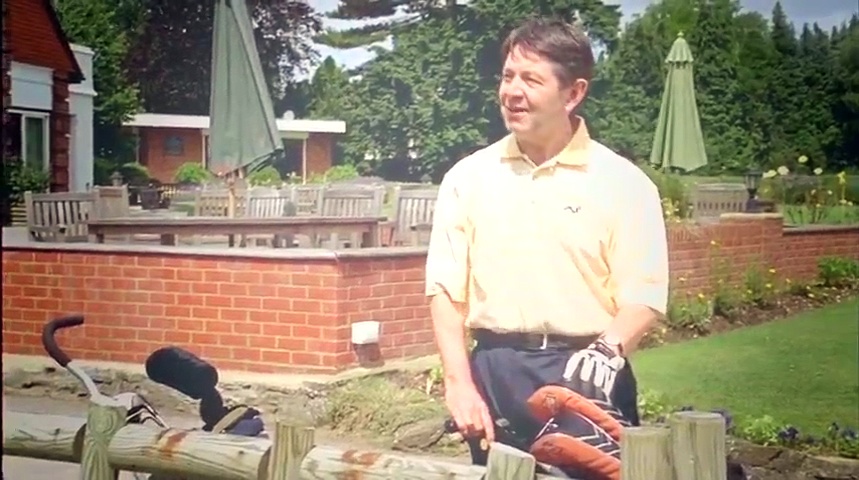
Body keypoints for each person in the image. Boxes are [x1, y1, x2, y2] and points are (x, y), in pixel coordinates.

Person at [424, 16, 670, 477]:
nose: (512, 91)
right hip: (494, 371)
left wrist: (608, 349)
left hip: (586, 374)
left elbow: (644, 294)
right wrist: (459, 383)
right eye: (507, 76)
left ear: (573, 93)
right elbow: (446, 291)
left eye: (531, 80)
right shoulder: (467, 178)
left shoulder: (624, 183)